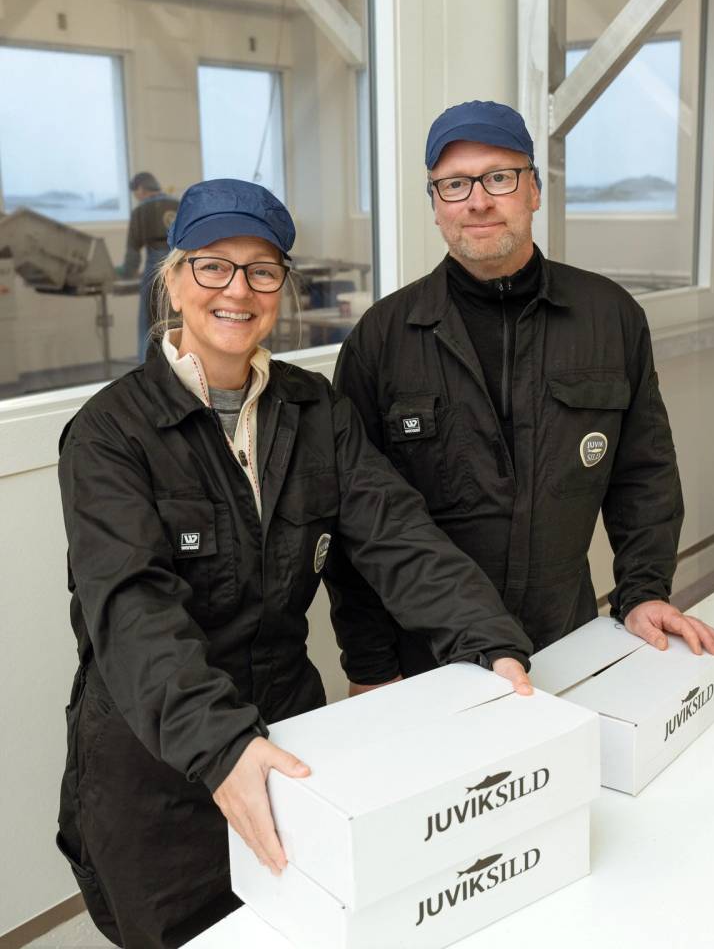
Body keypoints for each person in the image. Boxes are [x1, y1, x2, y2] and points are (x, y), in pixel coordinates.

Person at [57, 178, 535, 949]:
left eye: (262, 269)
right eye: (213, 265)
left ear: (282, 285)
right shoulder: (110, 434)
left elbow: (398, 535)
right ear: (173, 280)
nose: (237, 290)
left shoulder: (315, 411)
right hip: (157, 770)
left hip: (294, 738)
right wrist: (221, 747)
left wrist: (491, 643)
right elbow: (131, 611)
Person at [327, 100, 714, 697]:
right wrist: (370, 666)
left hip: (567, 643)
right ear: (435, 204)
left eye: (500, 177)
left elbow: (643, 475)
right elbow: (352, 520)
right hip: (430, 661)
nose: (478, 200)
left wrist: (643, 591)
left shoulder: (609, 318)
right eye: (455, 184)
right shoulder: (381, 340)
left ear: (534, 190)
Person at [115, 171, 179, 361]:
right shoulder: (178, 204)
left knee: (148, 323)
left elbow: (133, 252)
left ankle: (147, 367)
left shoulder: (141, 211)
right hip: (181, 266)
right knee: (179, 321)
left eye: (136, 193)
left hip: (155, 269)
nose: (137, 197)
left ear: (141, 189)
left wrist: (126, 272)